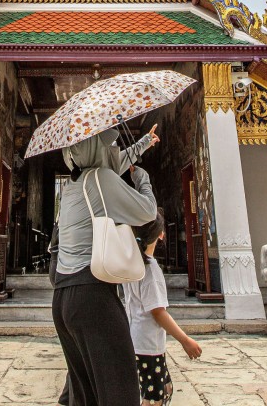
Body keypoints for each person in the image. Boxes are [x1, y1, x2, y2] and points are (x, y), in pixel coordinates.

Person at [53, 126, 159, 406]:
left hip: (63, 297)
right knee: (119, 392)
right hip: (93, 298)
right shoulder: (101, 179)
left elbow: (114, 163)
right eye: (107, 145)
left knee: (85, 394)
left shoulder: (74, 186)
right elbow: (148, 212)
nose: (113, 150)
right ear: (95, 150)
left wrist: (144, 143)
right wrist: (143, 179)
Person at [123, 209, 201, 406]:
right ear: (160, 235)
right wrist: (185, 340)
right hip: (148, 344)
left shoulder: (131, 264)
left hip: (137, 338)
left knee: (162, 389)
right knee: (154, 398)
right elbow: (158, 312)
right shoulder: (150, 270)